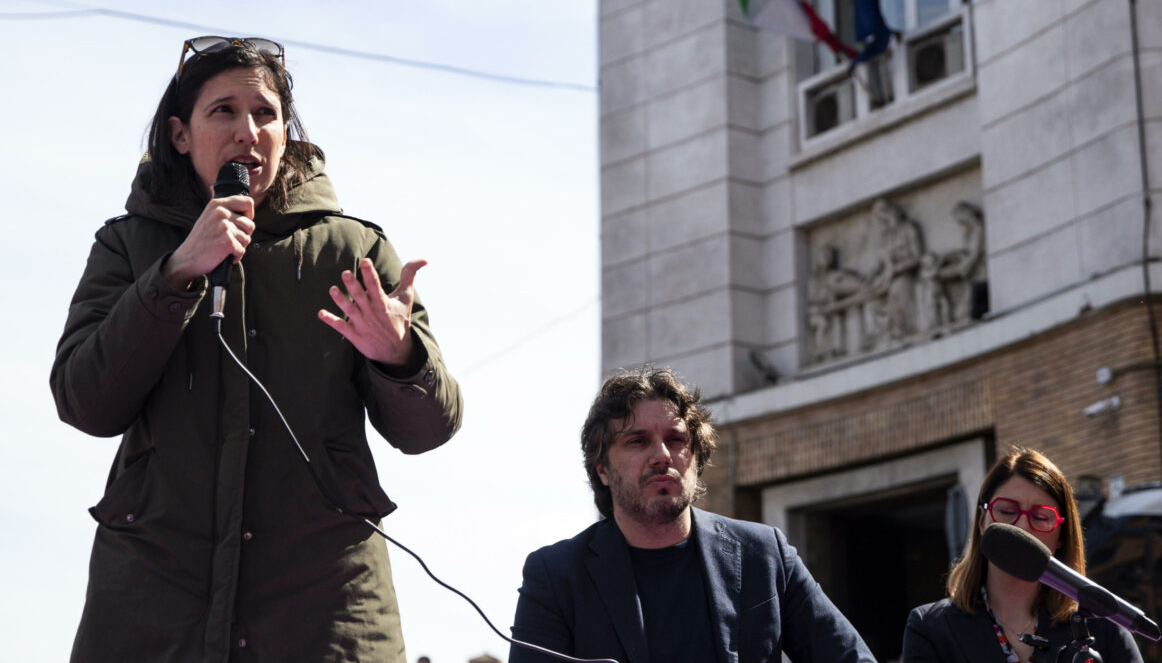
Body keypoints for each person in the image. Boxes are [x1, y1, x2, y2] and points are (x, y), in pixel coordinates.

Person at [50, 36, 463, 662]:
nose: (248, 130)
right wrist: (174, 274)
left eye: (266, 113)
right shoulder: (128, 247)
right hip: (153, 607)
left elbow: (431, 427)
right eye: (224, 111)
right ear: (180, 134)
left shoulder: (352, 250)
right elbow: (85, 402)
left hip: (325, 609)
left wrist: (397, 356)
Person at [508, 367, 876, 663]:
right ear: (602, 468)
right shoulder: (556, 576)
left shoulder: (764, 554)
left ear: (696, 458)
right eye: (638, 441)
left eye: (677, 439)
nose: (663, 455)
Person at [902, 448, 1143, 663]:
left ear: (1061, 537)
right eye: (1006, 511)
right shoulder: (931, 628)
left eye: (1040, 517)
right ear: (982, 523)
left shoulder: (1103, 628)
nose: (1022, 527)